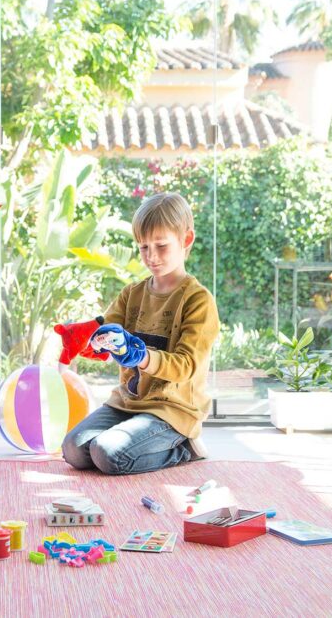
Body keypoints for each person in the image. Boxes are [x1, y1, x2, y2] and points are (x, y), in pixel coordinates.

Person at [61, 192, 219, 475]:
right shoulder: (131, 293)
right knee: (73, 449)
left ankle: (184, 448)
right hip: (128, 402)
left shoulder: (198, 300)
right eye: (144, 247)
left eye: (161, 245)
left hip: (171, 410)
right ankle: (135, 440)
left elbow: (186, 366)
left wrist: (141, 356)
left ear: (186, 240)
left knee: (107, 454)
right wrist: (86, 336)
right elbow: (104, 332)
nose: (151, 256)